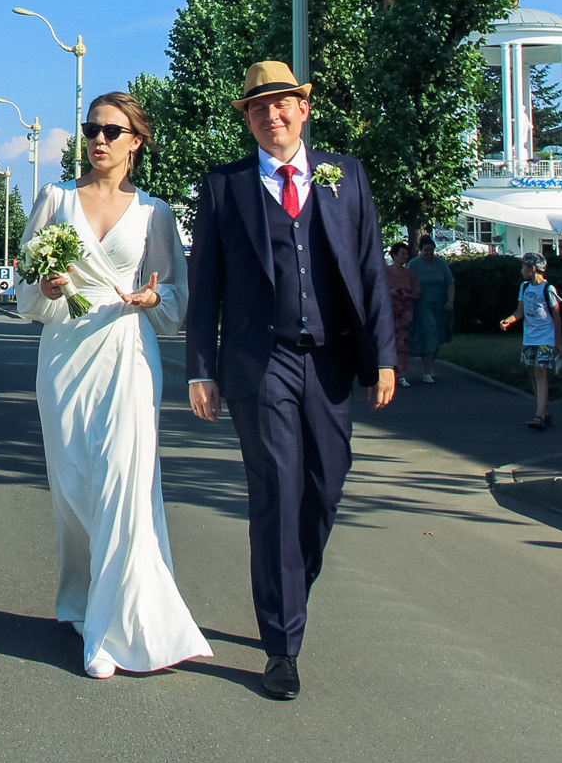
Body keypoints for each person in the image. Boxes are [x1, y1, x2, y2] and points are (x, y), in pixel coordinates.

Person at [185, 61, 399, 702]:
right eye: (258, 108)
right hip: (262, 361)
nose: (271, 115)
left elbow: (369, 270)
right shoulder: (224, 187)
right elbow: (208, 288)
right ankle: (281, 645)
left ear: (303, 111)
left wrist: (383, 357)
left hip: (331, 359)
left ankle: (290, 587)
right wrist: (202, 367)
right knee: (277, 494)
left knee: (324, 490)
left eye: (282, 105)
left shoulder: (346, 175)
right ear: (247, 119)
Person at [20, 91, 211, 680]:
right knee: (74, 485)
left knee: (125, 487)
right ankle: (79, 600)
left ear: (136, 143)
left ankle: (110, 633)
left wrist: (154, 298)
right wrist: (48, 290)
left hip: (128, 351)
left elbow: (176, 298)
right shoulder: (54, 199)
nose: (98, 139)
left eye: (112, 130)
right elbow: (26, 295)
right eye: (91, 128)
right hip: (65, 357)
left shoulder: (155, 213)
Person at [498, 251, 562, 429]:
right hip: (530, 338)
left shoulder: (548, 289)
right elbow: (520, 311)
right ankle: (543, 410)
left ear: (532, 268)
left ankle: (540, 415)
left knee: (540, 373)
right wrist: (510, 320)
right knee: (533, 374)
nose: (521, 270)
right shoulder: (525, 287)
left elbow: (556, 316)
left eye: (523, 266)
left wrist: (558, 342)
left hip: (545, 338)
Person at [406, 235, 454, 383]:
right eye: (426, 250)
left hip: (439, 307)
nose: (429, 253)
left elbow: (450, 283)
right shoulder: (413, 264)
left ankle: (430, 367)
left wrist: (450, 301)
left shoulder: (441, 264)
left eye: (431, 250)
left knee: (436, 336)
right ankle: (427, 372)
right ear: (421, 250)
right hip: (421, 307)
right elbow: (408, 283)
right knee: (429, 333)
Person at [384, 242, 420, 385]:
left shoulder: (410, 275)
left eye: (406, 254)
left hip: (404, 314)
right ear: (394, 255)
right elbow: (376, 292)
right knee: (387, 342)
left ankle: (402, 374)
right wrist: (390, 292)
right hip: (388, 313)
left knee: (403, 343)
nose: (405, 257)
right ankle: (387, 371)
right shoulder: (384, 272)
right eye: (402, 254)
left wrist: (406, 295)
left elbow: (417, 294)